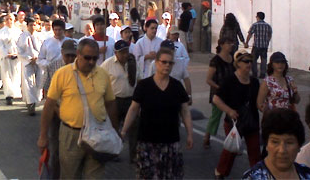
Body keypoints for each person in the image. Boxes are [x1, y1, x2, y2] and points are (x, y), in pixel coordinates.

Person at [37, 38, 118, 179]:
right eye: (87, 58)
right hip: (71, 135)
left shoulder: (103, 75)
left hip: (97, 134)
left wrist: (115, 132)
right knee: (70, 175)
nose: (91, 62)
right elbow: (49, 105)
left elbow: (111, 104)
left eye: (95, 58)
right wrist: (43, 136)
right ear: (78, 54)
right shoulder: (62, 74)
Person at [121, 48, 193, 179]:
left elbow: (185, 111)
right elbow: (133, 109)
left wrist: (189, 133)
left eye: (170, 63)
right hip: (147, 143)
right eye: (164, 62)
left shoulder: (177, 86)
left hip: (171, 143)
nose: (167, 65)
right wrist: (124, 131)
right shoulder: (144, 85)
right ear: (156, 62)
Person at [212, 49, 261, 178]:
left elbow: (258, 103)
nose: (249, 64)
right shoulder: (230, 80)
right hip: (234, 122)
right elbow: (216, 99)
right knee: (231, 151)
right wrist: (229, 110)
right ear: (238, 63)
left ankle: (258, 175)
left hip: (251, 121)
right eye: (245, 61)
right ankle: (220, 173)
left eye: (250, 61)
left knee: (255, 151)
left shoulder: (255, 82)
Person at [242, 109, 310, 179]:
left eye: (289, 142)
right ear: (266, 144)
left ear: (299, 146)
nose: (282, 150)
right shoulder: (253, 177)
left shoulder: (307, 174)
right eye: (275, 142)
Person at [41, 39, 78, 179]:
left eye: (73, 56)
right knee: (56, 151)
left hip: (75, 116)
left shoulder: (81, 68)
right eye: (67, 55)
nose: (70, 59)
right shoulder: (53, 67)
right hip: (57, 114)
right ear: (62, 53)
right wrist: (59, 111)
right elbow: (47, 93)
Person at [101, 40, 140, 163]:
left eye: (126, 52)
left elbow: (140, 80)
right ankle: (114, 152)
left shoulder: (133, 63)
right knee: (113, 128)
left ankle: (134, 155)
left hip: (131, 100)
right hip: (114, 101)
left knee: (134, 128)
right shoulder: (107, 65)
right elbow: (101, 82)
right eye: (122, 53)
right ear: (115, 53)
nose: (125, 55)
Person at [203, 37, 236, 149]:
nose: (231, 45)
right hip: (218, 94)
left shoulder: (232, 59)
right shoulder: (215, 61)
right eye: (228, 43)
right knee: (215, 117)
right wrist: (219, 87)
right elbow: (208, 79)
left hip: (231, 94)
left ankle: (232, 141)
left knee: (232, 118)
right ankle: (207, 137)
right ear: (221, 45)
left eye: (232, 43)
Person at [17, 17, 42, 115]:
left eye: (34, 25)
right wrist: (28, 58)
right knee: (29, 83)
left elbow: (44, 49)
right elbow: (19, 50)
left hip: (39, 62)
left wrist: (38, 58)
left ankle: (37, 100)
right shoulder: (23, 36)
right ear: (27, 26)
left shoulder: (40, 36)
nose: (32, 27)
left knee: (39, 82)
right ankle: (31, 103)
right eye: (30, 25)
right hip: (28, 62)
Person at [0, 14, 23, 105]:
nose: (9, 21)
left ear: (14, 20)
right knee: (6, 76)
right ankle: (9, 95)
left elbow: (21, 44)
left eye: (10, 19)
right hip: (6, 57)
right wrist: (6, 54)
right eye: (7, 19)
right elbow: (0, 45)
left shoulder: (18, 31)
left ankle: (15, 92)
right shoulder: (1, 32)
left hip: (16, 57)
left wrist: (18, 53)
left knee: (16, 75)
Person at [245, 11, 272, 79]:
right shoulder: (268, 26)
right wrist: (267, 42)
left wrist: (246, 42)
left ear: (258, 17)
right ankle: (262, 74)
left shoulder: (255, 25)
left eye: (256, 16)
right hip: (264, 46)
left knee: (253, 60)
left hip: (256, 45)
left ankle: (255, 73)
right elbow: (269, 35)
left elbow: (250, 34)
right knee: (263, 60)